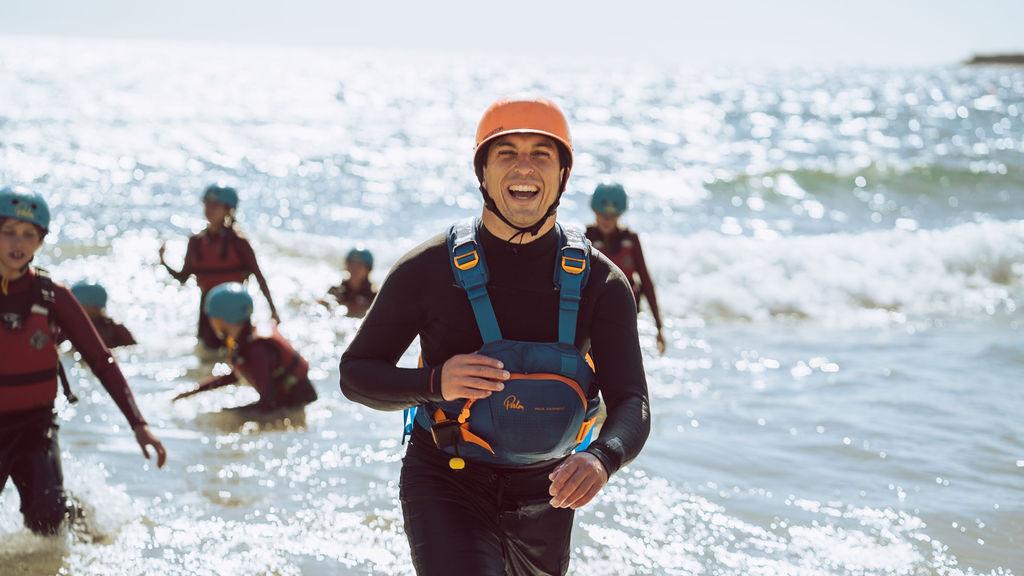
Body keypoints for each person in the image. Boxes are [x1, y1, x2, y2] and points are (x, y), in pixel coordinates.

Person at [340, 98, 650, 576]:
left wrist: (601, 459)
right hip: (446, 478)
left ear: (563, 175)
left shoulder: (601, 283)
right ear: (482, 172)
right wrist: (435, 381)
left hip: (550, 488)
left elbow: (632, 402)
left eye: (541, 154)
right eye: (506, 153)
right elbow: (356, 374)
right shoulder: (427, 269)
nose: (523, 166)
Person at [0, 186, 167, 536]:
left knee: (46, 523)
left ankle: (70, 512)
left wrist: (139, 423)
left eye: (29, 235)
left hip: (36, 427)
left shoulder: (53, 295)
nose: (18, 242)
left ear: (40, 242)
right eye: (9, 232)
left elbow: (101, 360)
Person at [159, 184, 279, 350]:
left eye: (215, 205)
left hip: (235, 309)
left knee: (240, 355)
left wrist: (273, 311)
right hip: (208, 310)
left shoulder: (239, 242)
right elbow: (183, 277)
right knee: (207, 355)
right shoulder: (196, 242)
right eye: (207, 204)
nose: (209, 209)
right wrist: (163, 262)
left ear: (228, 210)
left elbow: (259, 276)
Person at [172, 282, 317, 412]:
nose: (210, 323)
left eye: (212, 318)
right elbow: (236, 375)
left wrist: (225, 415)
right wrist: (191, 392)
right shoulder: (246, 339)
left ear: (223, 319)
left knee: (225, 418)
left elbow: (269, 404)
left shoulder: (256, 351)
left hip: (295, 404)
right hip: (293, 399)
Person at [586, 183, 666, 355]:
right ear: (594, 211)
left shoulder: (631, 240)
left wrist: (659, 327)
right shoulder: (586, 239)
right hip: (595, 316)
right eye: (602, 214)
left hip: (626, 316)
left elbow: (646, 282)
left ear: (620, 214)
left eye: (612, 215)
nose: (607, 219)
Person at [68, 281, 136, 348]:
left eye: (78, 305)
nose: (72, 309)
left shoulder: (116, 330)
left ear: (94, 307)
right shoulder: (69, 328)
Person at [324, 247, 377, 318]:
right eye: (352, 264)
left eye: (359, 265)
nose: (354, 269)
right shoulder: (336, 290)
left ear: (368, 269)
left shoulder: (374, 295)